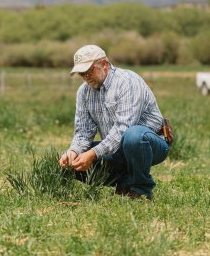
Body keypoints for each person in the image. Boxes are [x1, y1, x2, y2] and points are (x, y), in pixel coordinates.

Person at [59, 45, 171, 200]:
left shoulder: (127, 82)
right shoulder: (83, 92)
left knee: (133, 136)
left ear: (104, 64)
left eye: (89, 71)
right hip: (116, 149)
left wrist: (92, 154)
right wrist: (74, 152)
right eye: (81, 73)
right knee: (68, 161)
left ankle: (140, 189)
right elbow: (83, 132)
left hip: (150, 144)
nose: (85, 77)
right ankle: (125, 182)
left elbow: (123, 129)